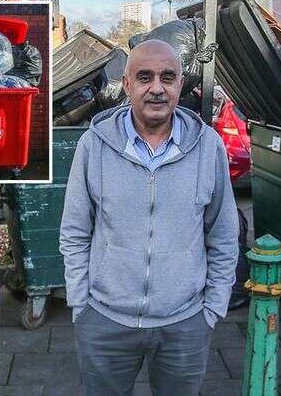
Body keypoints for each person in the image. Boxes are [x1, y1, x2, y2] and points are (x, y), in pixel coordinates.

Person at [59, 40, 239, 396]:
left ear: (179, 84)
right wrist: (81, 302)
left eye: (167, 77)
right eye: (145, 77)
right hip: (105, 320)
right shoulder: (94, 145)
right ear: (127, 85)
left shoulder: (208, 146)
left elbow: (223, 233)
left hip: (185, 323)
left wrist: (213, 308)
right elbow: (75, 231)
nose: (156, 88)